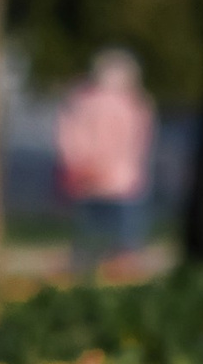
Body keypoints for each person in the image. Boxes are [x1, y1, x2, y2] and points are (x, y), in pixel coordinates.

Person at [56, 49, 156, 279]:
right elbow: (136, 143)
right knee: (123, 245)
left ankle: (87, 272)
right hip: (122, 181)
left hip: (90, 179)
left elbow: (70, 137)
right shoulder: (136, 104)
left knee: (88, 240)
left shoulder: (80, 101)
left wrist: (79, 163)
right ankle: (120, 274)